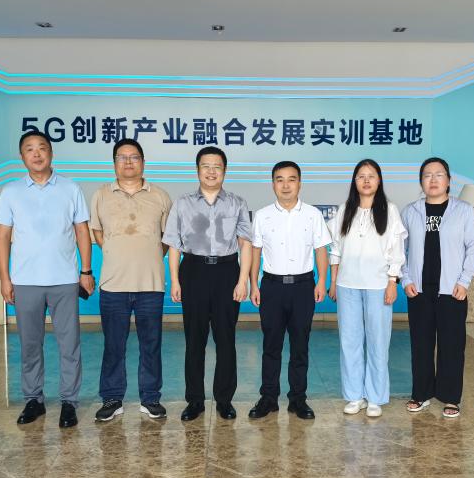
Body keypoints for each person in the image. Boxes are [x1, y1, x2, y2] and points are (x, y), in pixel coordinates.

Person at [0, 130, 95, 429]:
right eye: (29, 149)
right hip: (25, 281)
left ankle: (69, 402)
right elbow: (2, 239)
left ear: (51, 153)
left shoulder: (70, 188)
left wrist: (85, 271)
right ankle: (33, 400)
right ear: (22, 156)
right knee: (29, 344)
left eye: (42, 148)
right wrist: (5, 279)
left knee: (69, 344)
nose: (36, 154)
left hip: (64, 280)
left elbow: (82, 231)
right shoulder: (11, 192)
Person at [164, 146, 252, 422]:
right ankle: (195, 401)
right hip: (193, 271)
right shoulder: (182, 203)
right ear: (197, 170)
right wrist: (175, 280)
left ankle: (224, 400)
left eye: (217, 166)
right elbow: (174, 245)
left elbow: (245, 245)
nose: (211, 171)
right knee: (194, 340)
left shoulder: (237, 203)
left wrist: (243, 281)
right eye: (206, 166)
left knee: (226, 339)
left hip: (227, 271)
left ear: (224, 171)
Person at [90, 138, 173, 421]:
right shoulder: (101, 195)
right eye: (122, 157)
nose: (128, 162)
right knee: (114, 345)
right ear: (114, 163)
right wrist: (118, 253)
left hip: (151, 284)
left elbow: (167, 238)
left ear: (143, 162)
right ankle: (112, 398)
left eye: (134, 157)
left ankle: (150, 398)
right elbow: (98, 233)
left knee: (151, 344)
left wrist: (149, 254)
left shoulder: (160, 196)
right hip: (113, 285)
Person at [400, 157, 474, 418]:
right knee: (421, 345)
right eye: (427, 175)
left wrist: (464, 281)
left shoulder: (463, 211)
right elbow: (398, 250)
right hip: (419, 291)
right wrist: (405, 279)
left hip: (452, 290)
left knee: (451, 346)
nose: (433, 180)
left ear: (448, 181)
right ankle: (421, 393)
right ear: (421, 182)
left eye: (439, 175)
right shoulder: (410, 212)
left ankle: (450, 397)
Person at [249, 161, 331, 420]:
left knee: (300, 346)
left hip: (303, 287)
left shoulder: (312, 215)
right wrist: (254, 284)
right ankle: (268, 398)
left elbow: (321, 250)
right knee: (271, 346)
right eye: (280, 179)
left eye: (291, 179)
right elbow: (255, 252)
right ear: (273, 184)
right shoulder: (262, 216)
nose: (286, 185)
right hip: (271, 287)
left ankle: (298, 399)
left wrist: (321, 281)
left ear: (300, 183)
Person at [327, 159, 406, 418]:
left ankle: (375, 397)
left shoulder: (389, 210)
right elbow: (336, 249)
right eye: (361, 176)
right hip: (347, 285)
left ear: (379, 180)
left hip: (378, 286)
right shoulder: (345, 210)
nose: (366, 180)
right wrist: (333, 282)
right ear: (355, 181)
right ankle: (354, 396)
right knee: (349, 342)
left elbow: (396, 251)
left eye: (371, 175)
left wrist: (392, 281)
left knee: (377, 342)